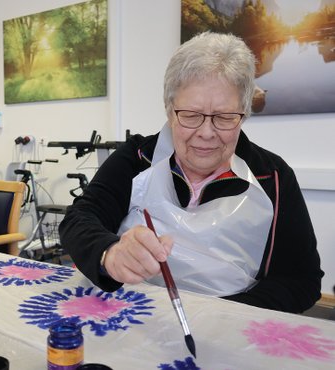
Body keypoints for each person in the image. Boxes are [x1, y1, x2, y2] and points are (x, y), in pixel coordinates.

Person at [59, 32, 323, 314]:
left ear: (244, 114)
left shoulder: (273, 176)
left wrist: (215, 315)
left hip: (229, 327)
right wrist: (109, 253)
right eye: (191, 115)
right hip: (135, 316)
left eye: (224, 117)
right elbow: (78, 219)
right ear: (170, 112)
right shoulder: (136, 157)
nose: (206, 133)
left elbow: (301, 281)